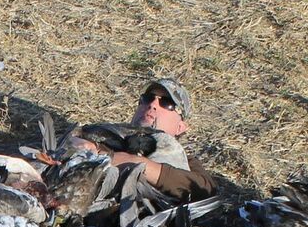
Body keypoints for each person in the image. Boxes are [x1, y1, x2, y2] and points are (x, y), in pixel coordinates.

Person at [76, 78, 219, 202]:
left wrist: (135, 163)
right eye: (147, 98)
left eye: (167, 103)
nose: (152, 105)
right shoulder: (103, 134)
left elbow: (204, 189)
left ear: (180, 127)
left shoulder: (185, 162)